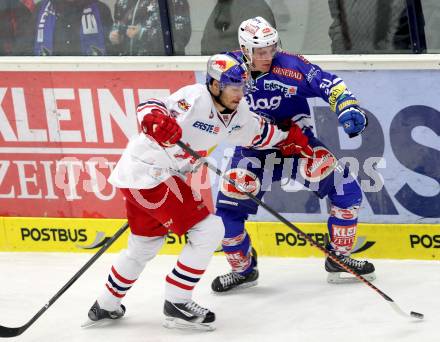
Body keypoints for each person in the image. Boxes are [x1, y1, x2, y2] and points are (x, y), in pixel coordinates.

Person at [86, 53, 313, 330]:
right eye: (233, 87)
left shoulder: (239, 113)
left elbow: (259, 132)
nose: (239, 94)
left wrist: (290, 139)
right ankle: (177, 302)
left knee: (143, 245)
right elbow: (151, 106)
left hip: (144, 178)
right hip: (150, 172)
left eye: (242, 87)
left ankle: (106, 303)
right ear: (215, 85)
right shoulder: (194, 98)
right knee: (210, 229)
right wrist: (156, 121)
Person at [211, 16, 375, 293]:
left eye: (271, 48)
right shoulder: (227, 69)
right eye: (260, 51)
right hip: (253, 151)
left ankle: (339, 259)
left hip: (298, 146)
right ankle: (243, 271)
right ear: (244, 49)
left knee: (347, 192)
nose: (268, 56)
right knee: (227, 210)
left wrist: (348, 108)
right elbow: (206, 104)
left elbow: (329, 84)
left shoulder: (292, 65)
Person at [30, 0, 113, 56]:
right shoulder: (40, 9)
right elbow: (27, 47)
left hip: (90, 77)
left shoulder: (100, 10)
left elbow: (111, 50)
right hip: (50, 78)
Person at [110, 0, 191, 56]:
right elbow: (116, 26)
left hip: (160, 66)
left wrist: (143, 34)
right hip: (125, 67)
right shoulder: (122, 2)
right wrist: (115, 38)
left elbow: (180, 37)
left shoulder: (175, 2)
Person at [328, 0, 407, 54]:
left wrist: (386, 62)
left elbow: (397, 29)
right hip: (347, 61)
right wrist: (341, 58)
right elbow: (338, 22)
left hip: (383, 62)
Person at [201, 0, 275, 55]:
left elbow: (262, 48)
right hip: (214, 63)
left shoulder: (253, 7)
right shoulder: (224, 4)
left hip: (236, 68)